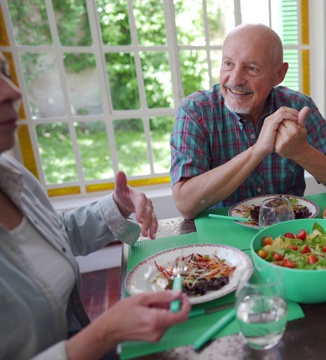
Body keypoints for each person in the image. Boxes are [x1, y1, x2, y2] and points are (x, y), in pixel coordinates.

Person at [0, 55, 191, 358]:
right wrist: (107, 332)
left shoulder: (10, 173)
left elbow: (54, 234)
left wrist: (118, 204)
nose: (12, 90)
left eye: (4, 72)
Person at [170, 23, 326, 219]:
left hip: (289, 233)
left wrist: (301, 152)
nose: (235, 80)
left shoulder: (298, 106)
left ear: (279, 74)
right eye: (228, 64)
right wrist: (258, 149)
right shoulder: (195, 111)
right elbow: (185, 204)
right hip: (222, 236)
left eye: (251, 69)